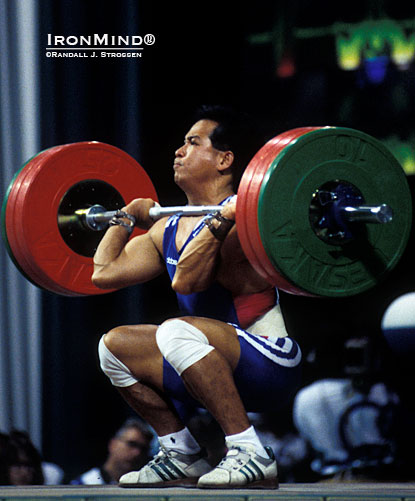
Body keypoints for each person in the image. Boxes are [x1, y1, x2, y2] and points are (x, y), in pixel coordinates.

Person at [92, 105, 302, 489]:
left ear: (224, 159)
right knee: (113, 346)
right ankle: (181, 452)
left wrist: (224, 217)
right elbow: (103, 274)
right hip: (206, 364)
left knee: (175, 331)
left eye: (192, 142)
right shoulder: (167, 228)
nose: (178, 151)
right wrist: (123, 219)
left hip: (270, 363)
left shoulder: (244, 222)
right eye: (181, 143)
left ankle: (249, 451)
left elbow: (187, 281)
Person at [70, 418, 153, 485]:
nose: (137, 453)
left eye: (144, 449)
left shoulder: (146, 488)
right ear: (113, 444)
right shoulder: (83, 484)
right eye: (132, 444)